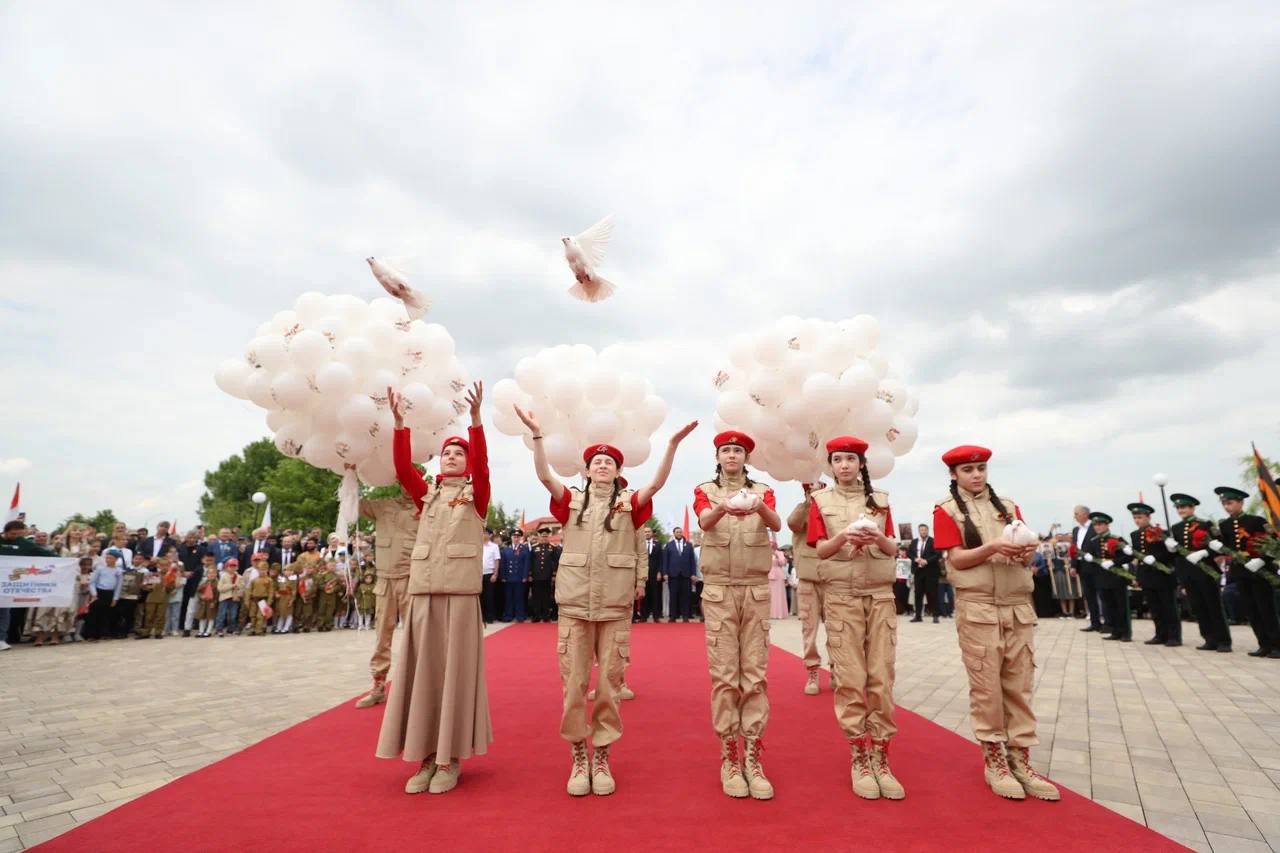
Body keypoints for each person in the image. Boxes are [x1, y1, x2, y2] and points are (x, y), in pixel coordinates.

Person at [515, 404, 695, 797]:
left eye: (608, 462)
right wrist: (537, 436)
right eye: (596, 462)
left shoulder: (629, 504)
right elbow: (545, 476)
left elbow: (656, 485)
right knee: (573, 686)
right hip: (575, 606)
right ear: (586, 470)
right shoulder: (570, 502)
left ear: (617, 471)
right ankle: (579, 756)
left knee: (610, 688)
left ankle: (602, 756)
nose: (601, 465)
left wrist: (672, 446)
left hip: (614, 608)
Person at [376, 382, 492, 797]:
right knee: (422, 675)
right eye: (447, 453)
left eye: (460, 453)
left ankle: (449, 758)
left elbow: (484, 468)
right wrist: (399, 425)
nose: (452, 456)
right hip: (424, 594)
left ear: (468, 461)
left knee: (454, 675)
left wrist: (476, 420)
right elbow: (403, 470)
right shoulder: (426, 495)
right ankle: (425, 755)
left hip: (459, 598)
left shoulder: (477, 496)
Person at [933, 444, 1058, 802]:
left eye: (981, 468)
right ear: (954, 474)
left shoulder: (1008, 506)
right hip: (979, 607)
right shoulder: (946, 510)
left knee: (1019, 685)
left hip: (1017, 606)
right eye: (968, 470)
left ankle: (1020, 759)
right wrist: (992, 548)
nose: (976, 475)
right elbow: (957, 560)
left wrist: (1026, 552)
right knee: (987, 687)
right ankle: (995, 761)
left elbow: (1026, 557)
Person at [808, 436, 904, 801]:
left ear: (861, 464)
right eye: (838, 460)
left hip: (880, 596)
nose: (844, 465)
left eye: (850, 459)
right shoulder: (820, 501)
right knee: (850, 678)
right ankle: (859, 756)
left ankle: (881, 755)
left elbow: (892, 547)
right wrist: (845, 537)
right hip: (841, 597)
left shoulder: (881, 500)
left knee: (881, 676)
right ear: (831, 465)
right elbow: (820, 550)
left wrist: (876, 537)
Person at [694, 430, 782, 801]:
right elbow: (704, 521)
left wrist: (757, 506)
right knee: (725, 676)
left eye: (738, 451)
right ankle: (730, 755)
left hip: (755, 589)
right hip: (719, 591)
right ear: (718, 457)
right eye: (726, 450)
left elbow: (776, 523)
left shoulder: (763, 490)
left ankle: (753, 755)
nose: (732, 455)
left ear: (746, 457)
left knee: (755, 675)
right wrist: (723, 507)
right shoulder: (705, 490)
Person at [356, 488, 418, 704]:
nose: (407, 485)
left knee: (416, 636)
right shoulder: (383, 506)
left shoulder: (426, 507)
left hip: (411, 579)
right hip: (385, 580)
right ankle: (378, 685)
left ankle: (418, 687)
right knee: (382, 635)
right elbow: (354, 505)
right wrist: (350, 478)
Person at [1212, 486, 1280, 658]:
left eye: (1230, 503)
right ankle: (1263, 644)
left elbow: (1275, 542)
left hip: (1260, 571)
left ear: (1241, 503)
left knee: (1266, 609)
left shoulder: (1256, 521)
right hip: (1241, 572)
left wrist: (1263, 560)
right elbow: (1227, 547)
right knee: (1251, 610)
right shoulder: (1224, 524)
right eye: (1224, 504)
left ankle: (1277, 645)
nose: (1227, 507)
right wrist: (1218, 547)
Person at [1167, 494, 1230, 653]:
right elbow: (1177, 554)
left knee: (1213, 606)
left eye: (1184, 507)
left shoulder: (1205, 524)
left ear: (1192, 508)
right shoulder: (1176, 528)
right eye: (1178, 508)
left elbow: (1219, 545)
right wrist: (1171, 549)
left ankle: (1223, 641)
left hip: (1205, 571)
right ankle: (1209, 639)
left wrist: (1204, 552)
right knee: (1198, 607)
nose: (1181, 510)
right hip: (1188, 572)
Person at [788, 483, 828, 696]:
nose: (815, 494)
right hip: (808, 579)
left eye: (820, 490)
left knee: (838, 630)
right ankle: (812, 670)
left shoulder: (831, 509)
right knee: (809, 630)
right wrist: (808, 503)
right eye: (811, 490)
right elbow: (793, 524)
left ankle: (837, 668)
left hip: (831, 578)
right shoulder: (802, 509)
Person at [1128, 502, 1179, 646]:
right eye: (1135, 518)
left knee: (1168, 607)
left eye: (1140, 517)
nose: (1137, 520)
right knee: (1155, 607)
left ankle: (1174, 636)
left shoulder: (1160, 532)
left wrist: (1158, 556)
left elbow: (1171, 555)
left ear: (1148, 517)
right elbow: (1138, 554)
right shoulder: (1134, 535)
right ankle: (1160, 634)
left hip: (1162, 575)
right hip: (1147, 575)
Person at [1070, 505, 1104, 632]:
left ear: (1085, 514)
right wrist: (1073, 565)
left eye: (1076, 513)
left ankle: (1107, 622)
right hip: (1082, 566)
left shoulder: (1095, 527)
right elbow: (1074, 548)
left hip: (1095, 565)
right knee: (1089, 595)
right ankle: (1095, 623)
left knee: (1101, 594)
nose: (1074, 516)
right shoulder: (1076, 530)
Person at [908, 523, 940, 623]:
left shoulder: (933, 541)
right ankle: (918, 616)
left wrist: (927, 561)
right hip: (918, 571)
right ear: (919, 531)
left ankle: (935, 615)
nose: (923, 532)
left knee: (932, 594)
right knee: (918, 594)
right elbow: (909, 553)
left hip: (930, 571)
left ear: (928, 530)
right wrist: (915, 559)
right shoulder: (914, 541)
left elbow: (937, 554)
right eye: (921, 530)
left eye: (925, 530)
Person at [665, 527, 697, 622]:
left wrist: (693, 573)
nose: (679, 533)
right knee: (673, 596)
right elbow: (665, 560)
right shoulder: (669, 545)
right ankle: (673, 616)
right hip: (673, 575)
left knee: (685, 597)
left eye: (680, 532)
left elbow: (692, 561)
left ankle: (685, 616)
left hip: (686, 575)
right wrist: (665, 573)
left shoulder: (688, 545)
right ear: (674, 533)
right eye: (677, 532)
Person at [529, 526, 560, 623]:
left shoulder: (553, 548)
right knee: (536, 596)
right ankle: (536, 615)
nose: (544, 538)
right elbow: (530, 562)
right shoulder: (534, 548)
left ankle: (546, 615)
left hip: (548, 576)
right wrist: (530, 574)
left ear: (548, 537)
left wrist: (554, 575)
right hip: (536, 576)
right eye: (543, 536)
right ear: (539, 537)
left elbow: (556, 562)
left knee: (546, 596)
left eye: (546, 536)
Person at [500, 533, 529, 623]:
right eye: (514, 537)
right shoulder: (506, 549)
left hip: (519, 577)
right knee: (508, 598)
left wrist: (525, 576)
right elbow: (503, 564)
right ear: (511, 538)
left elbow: (526, 564)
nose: (516, 539)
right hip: (508, 577)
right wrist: (503, 576)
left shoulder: (524, 549)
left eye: (517, 537)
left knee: (519, 597)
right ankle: (508, 615)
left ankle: (520, 616)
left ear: (520, 538)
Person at [1049, 541, 1080, 618]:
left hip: (1068, 573)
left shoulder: (1070, 551)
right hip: (1059, 572)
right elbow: (1052, 563)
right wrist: (1050, 563)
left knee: (1071, 592)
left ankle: (1071, 612)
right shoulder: (1054, 553)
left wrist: (1069, 563)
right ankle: (1064, 612)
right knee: (1061, 593)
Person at [639, 526, 664, 622]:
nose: (647, 533)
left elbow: (661, 560)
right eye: (645, 532)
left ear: (652, 533)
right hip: (643, 574)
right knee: (643, 595)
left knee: (655, 595)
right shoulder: (640, 544)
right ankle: (643, 617)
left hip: (655, 574)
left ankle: (656, 616)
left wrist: (659, 572)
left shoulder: (658, 544)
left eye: (649, 531)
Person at [214, 558, 242, 637]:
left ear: (237, 567)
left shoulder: (239, 577)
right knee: (222, 614)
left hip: (235, 598)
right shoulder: (223, 576)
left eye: (234, 566)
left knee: (233, 615)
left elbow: (242, 588)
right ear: (226, 567)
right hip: (224, 598)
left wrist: (239, 594)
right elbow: (220, 588)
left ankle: (231, 629)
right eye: (230, 566)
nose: (232, 568)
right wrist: (231, 586)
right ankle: (219, 629)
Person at [481, 530, 500, 623]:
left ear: (490, 535)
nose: (484, 535)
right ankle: (481, 617)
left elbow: (497, 561)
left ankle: (490, 617)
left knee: (489, 596)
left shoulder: (494, 546)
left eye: (486, 533)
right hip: (479, 574)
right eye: (482, 533)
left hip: (489, 574)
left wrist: (495, 574)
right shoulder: (478, 545)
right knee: (480, 596)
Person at [194, 568, 219, 637]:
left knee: (211, 617)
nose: (211, 575)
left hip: (211, 602)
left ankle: (208, 631)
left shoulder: (217, 583)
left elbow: (217, 595)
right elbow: (198, 590)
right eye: (209, 573)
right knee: (202, 617)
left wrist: (214, 602)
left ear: (216, 574)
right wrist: (201, 596)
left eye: (213, 573)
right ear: (207, 574)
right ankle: (201, 631)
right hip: (203, 602)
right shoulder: (204, 583)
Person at [767, 541, 789, 620]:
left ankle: (779, 613)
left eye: (772, 545)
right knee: (770, 594)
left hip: (778, 575)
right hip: (769, 574)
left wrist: (777, 556)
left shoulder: (780, 553)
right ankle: (770, 613)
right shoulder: (766, 553)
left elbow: (783, 563)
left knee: (779, 594)